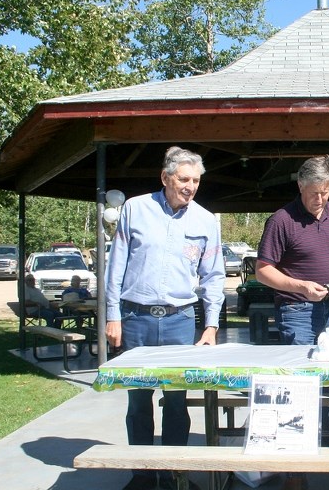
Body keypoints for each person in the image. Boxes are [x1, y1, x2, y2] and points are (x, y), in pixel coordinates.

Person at [105, 146, 225, 490]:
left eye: (196, 180)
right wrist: (113, 316)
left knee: (176, 402)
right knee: (138, 401)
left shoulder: (205, 219)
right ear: (165, 177)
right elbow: (116, 267)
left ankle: (175, 475)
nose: (190, 186)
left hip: (180, 321)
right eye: (184, 179)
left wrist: (211, 325)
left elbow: (214, 277)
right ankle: (142, 476)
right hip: (136, 319)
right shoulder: (134, 209)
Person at [255, 154, 329, 490]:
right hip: (295, 311)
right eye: (315, 192)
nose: (321, 198)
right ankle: (294, 469)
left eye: (326, 191)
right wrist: (300, 286)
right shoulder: (281, 220)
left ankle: (320, 450)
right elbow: (263, 270)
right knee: (298, 387)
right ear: (300, 185)